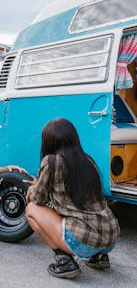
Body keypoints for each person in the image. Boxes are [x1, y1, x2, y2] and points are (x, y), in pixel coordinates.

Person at [25, 118, 120, 279]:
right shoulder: (88, 160)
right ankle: (98, 257)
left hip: (85, 241)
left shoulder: (51, 161)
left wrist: (33, 188)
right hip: (111, 238)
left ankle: (65, 262)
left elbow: (37, 199)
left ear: (49, 141)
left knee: (31, 210)